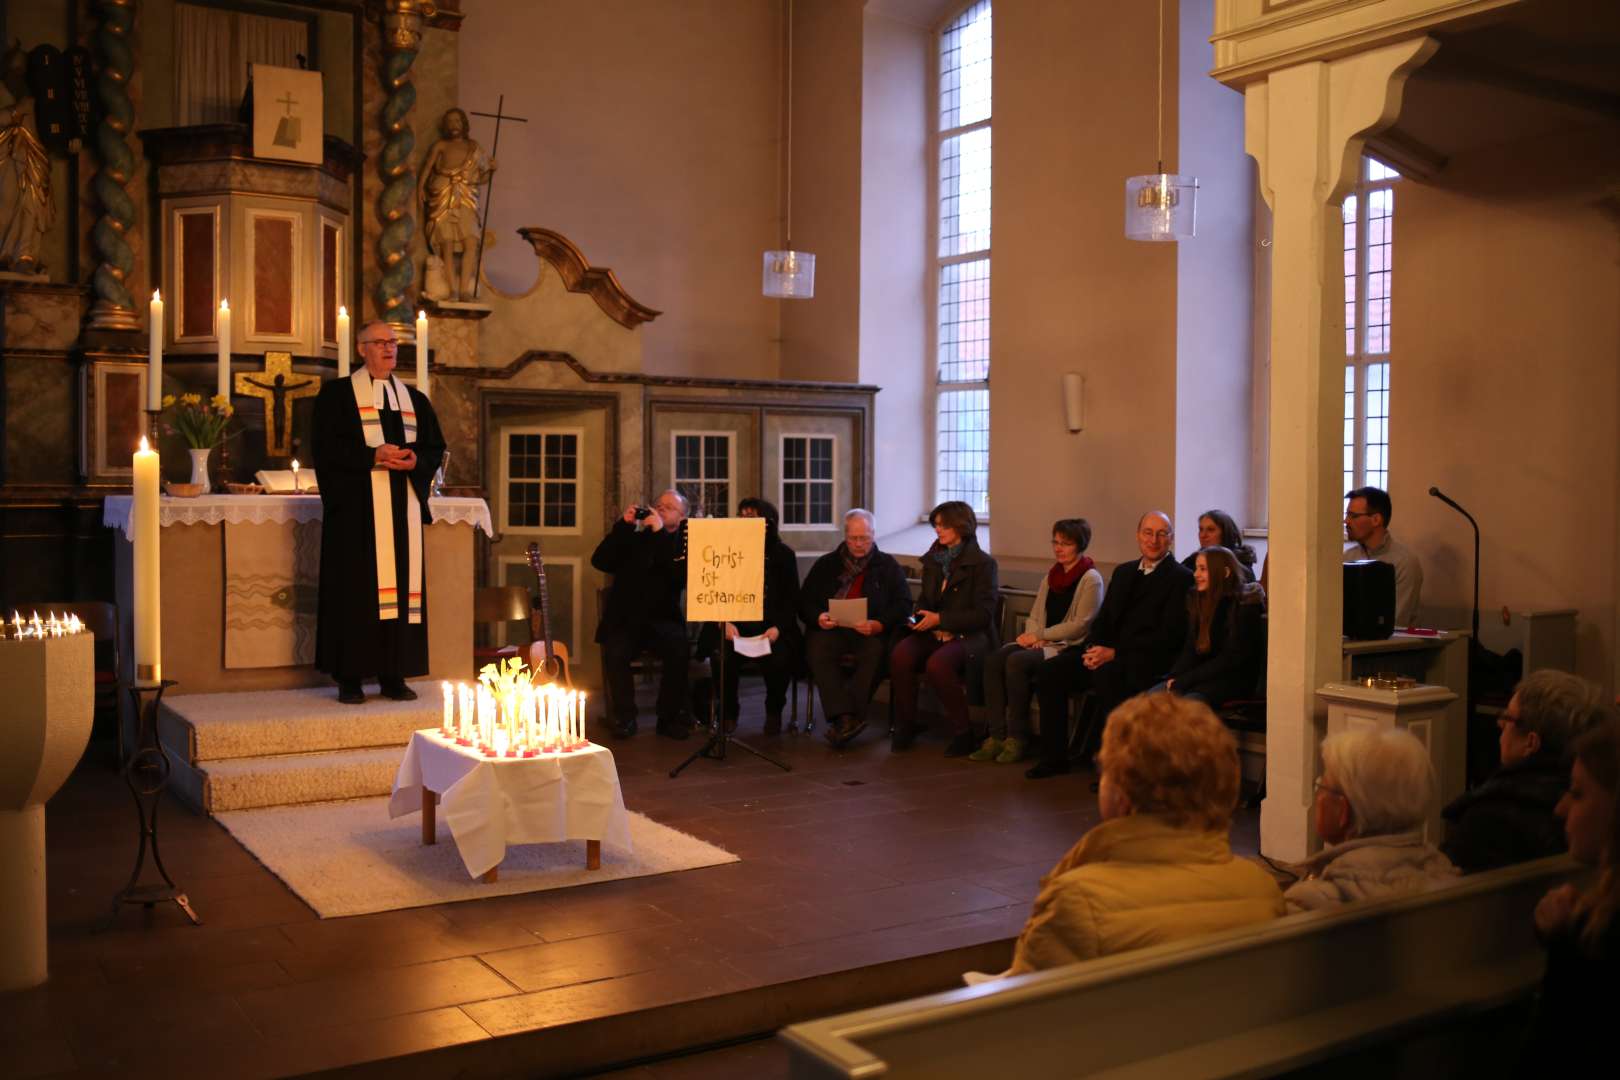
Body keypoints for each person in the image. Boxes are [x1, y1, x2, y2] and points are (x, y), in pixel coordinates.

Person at [993, 694, 1283, 976]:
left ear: (1122, 792)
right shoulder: (1261, 888)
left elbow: (1024, 1014)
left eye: (1103, 767)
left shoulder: (1077, 902)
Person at [313, 321, 447, 704]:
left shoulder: (415, 399)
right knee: (355, 593)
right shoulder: (337, 396)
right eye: (381, 343)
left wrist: (414, 461)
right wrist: (372, 455)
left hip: (400, 512)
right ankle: (350, 678)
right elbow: (325, 451)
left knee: (402, 591)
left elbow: (434, 447)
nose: (390, 349)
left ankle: (394, 673)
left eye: (393, 342)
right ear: (361, 348)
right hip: (356, 516)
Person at [1026, 511, 1193, 780]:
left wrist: (1114, 653)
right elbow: (1103, 621)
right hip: (1105, 653)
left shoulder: (1181, 577)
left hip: (1146, 659)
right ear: (1138, 536)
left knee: (1108, 677)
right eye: (1148, 532)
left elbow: (1169, 636)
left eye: (1162, 533)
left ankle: (1115, 768)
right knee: (1051, 672)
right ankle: (1054, 757)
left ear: (1171, 539)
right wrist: (1094, 649)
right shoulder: (1124, 571)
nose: (1154, 539)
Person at [1518, 716, 1620, 1073]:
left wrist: (1564, 947)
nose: (1560, 808)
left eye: (1577, 793)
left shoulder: (1603, 943)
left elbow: (1553, 1058)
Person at [970, 519, 1104, 765]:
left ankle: (1018, 738)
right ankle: (996, 735)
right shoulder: (1051, 576)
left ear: (1080, 545)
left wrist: (1042, 636)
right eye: (1056, 542)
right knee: (994, 660)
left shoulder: (1090, 578)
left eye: (1066, 543)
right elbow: (1034, 614)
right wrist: (1033, 637)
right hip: (1041, 642)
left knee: (1016, 662)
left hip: (1067, 646)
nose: (1058, 548)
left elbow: (1080, 625)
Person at [1442, 670, 1603, 873]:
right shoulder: (1599, 804)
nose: (1499, 724)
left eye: (1507, 718)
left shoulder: (1487, 819)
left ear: (1531, 742)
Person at [1283, 727, 1459, 912]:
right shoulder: (1448, 876)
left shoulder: (1307, 903)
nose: (1317, 795)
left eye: (1321, 786)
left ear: (1343, 811)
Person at [890, 501, 999, 756]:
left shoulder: (983, 564)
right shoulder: (934, 561)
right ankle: (905, 724)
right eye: (936, 525)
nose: (938, 530)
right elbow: (926, 602)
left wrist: (940, 619)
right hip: (934, 630)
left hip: (970, 636)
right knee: (900, 654)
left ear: (962, 526)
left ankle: (964, 732)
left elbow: (983, 615)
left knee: (937, 665)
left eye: (944, 525)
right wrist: (917, 619)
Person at [800, 508, 912, 748]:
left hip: (868, 630)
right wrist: (819, 617)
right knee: (818, 649)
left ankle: (848, 719)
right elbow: (805, 602)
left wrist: (878, 624)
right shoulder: (827, 564)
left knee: (875, 652)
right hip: (832, 629)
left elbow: (903, 604)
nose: (859, 544)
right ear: (845, 535)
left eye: (865, 538)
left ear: (874, 535)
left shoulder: (887, 566)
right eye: (853, 538)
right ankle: (845, 718)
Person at [591, 490, 692, 740]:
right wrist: (624, 526)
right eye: (659, 505)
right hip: (626, 618)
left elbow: (677, 576)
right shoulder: (634, 539)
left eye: (669, 507)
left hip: (663, 619)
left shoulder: (682, 545)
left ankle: (667, 718)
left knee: (679, 649)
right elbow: (600, 560)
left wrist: (659, 533)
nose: (661, 508)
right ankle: (625, 718)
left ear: (681, 517)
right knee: (615, 651)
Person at [702, 497, 801, 736]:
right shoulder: (726, 550)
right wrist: (722, 621)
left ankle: (774, 711)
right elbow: (711, 590)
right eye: (743, 517)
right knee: (720, 657)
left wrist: (778, 627)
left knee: (780, 660)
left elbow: (791, 598)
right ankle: (728, 713)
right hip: (733, 626)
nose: (747, 522)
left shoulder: (784, 555)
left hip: (771, 629)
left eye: (753, 517)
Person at [1158, 546, 1265, 705]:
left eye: (1203, 569)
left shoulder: (1244, 607)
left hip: (1231, 680)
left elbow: (1230, 659)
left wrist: (1186, 680)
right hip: (1201, 676)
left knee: (1185, 706)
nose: (1196, 574)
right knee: (1150, 700)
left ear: (1226, 573)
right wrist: (1174, 676)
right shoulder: (1199, 600)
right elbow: (1190, 648)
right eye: (1196, 568)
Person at [418, 107, 495, 301]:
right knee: (447, 246)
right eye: (450, 122)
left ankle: (465, 291)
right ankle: (452, 290)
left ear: (464, 124)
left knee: (471, 242)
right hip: (444, 194)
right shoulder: (441, 145)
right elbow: (427, 168)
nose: (454, 125)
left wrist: (492, 170)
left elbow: (481, 178)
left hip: (467, 196)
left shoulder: (474, 147)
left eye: (457, 121)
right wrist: (420, 187)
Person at [1342, 485, 1424, 627]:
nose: (1346, 521)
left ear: (1376, 520)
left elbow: (1396, 620)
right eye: (1346, 514)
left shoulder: (1404, 562)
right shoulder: (1348, 557)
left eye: (1353, 516)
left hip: (1390, 646)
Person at [1180, 510, 1257, 582]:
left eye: (1210, 530)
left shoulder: (1239, 566)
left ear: (1225, 533)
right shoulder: (1192, 560)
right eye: (1201, 529)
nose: (1203, 535)